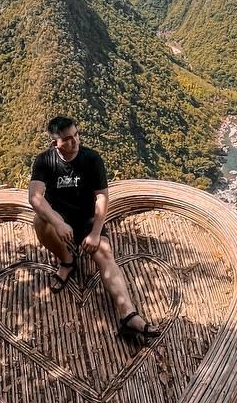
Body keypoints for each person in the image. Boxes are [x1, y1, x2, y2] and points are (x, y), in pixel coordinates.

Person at [28, 116, 161, 340]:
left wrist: (96, 232)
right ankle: (67, 261)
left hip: (89, 220)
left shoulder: (91, 159)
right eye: (68, 139)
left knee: (106, 255)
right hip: (60, 219)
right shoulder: (44, 161)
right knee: (39, 221)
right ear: (55, 144)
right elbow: (35, 196)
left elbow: (102, 197)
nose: (74, 142)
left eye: (76, 135)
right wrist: (57, 222)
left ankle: (128, 315)